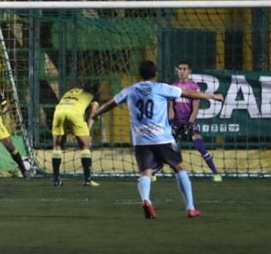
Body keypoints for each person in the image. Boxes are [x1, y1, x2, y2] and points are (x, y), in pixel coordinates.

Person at [88, 60, 223, 219]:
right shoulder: (161, 88)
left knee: (146, 173)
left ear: (140, 74)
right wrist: (212, 96)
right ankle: (190, 208)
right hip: (162, 139)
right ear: (155, 74)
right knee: (180, 168)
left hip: (141, 141)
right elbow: (190, 94)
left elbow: (110, 104)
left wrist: (95, 114)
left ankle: (146, 200)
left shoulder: (129, 90)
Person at [170, 60, 223, 182]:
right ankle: (153, 173)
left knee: (200, 146)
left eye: (184, 69)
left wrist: (189, 124)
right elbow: (171, 107)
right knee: (165, 147)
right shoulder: (173, 86)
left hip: (189, 122)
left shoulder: (194, 87)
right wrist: (171, 122)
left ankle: (216, 173)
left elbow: (195, 109)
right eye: (180, 69)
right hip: (176, 123)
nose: (182, 71)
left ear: (189, 71)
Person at [51, 82, 101, 187]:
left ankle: (56, 180)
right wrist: (87, 132)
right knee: (85, 145)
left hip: (59, 112)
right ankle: (87, 180)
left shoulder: (71, 91)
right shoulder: (93, 96)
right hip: (74, 113)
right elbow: (92, 116)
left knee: (57, 145)